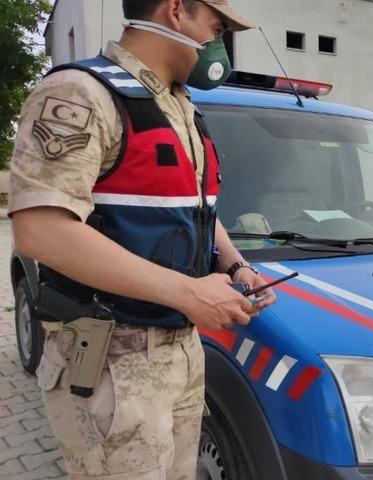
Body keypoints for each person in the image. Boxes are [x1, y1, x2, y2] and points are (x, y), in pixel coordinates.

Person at [8, 1, 274, 478]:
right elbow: (39, 229)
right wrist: (188, 292)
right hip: (112, 358)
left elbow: (198, 209)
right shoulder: (81, 93)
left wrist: (236, 267)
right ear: (176, 11)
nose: (221, 45)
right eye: (217, 28)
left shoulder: (180, 107)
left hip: (181, 353)